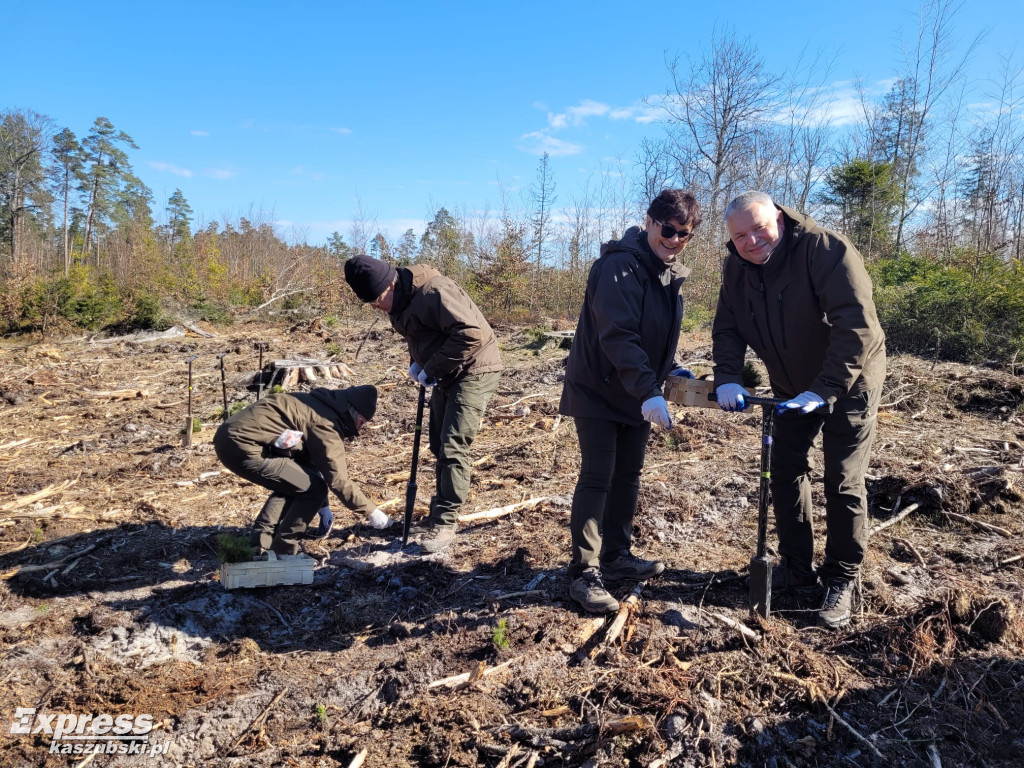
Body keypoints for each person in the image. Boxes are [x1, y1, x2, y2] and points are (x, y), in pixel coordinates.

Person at [712, 191, 886, 629]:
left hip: (851, 378)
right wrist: (727, 376)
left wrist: (826, 388)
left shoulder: (825, 249)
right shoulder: (736, 268)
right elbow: (728, 326)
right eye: (740, 236)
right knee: (785, 465)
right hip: (790, 385)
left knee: (841, 477)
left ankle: (842, 576)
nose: (751, 241)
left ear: (780, 218)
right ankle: (796, 566)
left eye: (758, 228)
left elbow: (856, 326)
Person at [559, 189, 702, 614]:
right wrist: (649, 391)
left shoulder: (663, 273)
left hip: (636, 392)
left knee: (628, 475)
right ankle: (583, 572)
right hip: (599, 390)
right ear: (650, 221)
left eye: (685, 234)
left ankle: (616, 556)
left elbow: (648, 336)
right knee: (599, 474)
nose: (675, 240)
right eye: (669, 230)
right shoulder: (621, 266)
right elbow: (618, 335)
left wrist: (669, 369)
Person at [344, 254, 502, 554]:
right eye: (370, 303)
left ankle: (445, 522)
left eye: (377, 298)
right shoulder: (400, 303)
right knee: (436, 444)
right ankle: (436, 515)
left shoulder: (435, 291)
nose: (376, 306)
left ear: (390, 283)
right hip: (447, 372)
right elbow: (421, 337)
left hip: (475, 369)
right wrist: (418, 363)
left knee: (453, 445)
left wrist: (432, 367)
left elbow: (471, 335)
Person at [213, 385, 392, 557]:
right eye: (362, 421)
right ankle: (285, 549)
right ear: (351, 412)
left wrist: (324, 506)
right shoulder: (325, 422)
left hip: (230, 437)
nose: (361, 428)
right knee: (315, 489)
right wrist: (371, 512)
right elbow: (338, 480)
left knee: (295, 483)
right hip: (243, 445)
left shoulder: (313, 405)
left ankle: (260, 543)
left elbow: (306, 466)